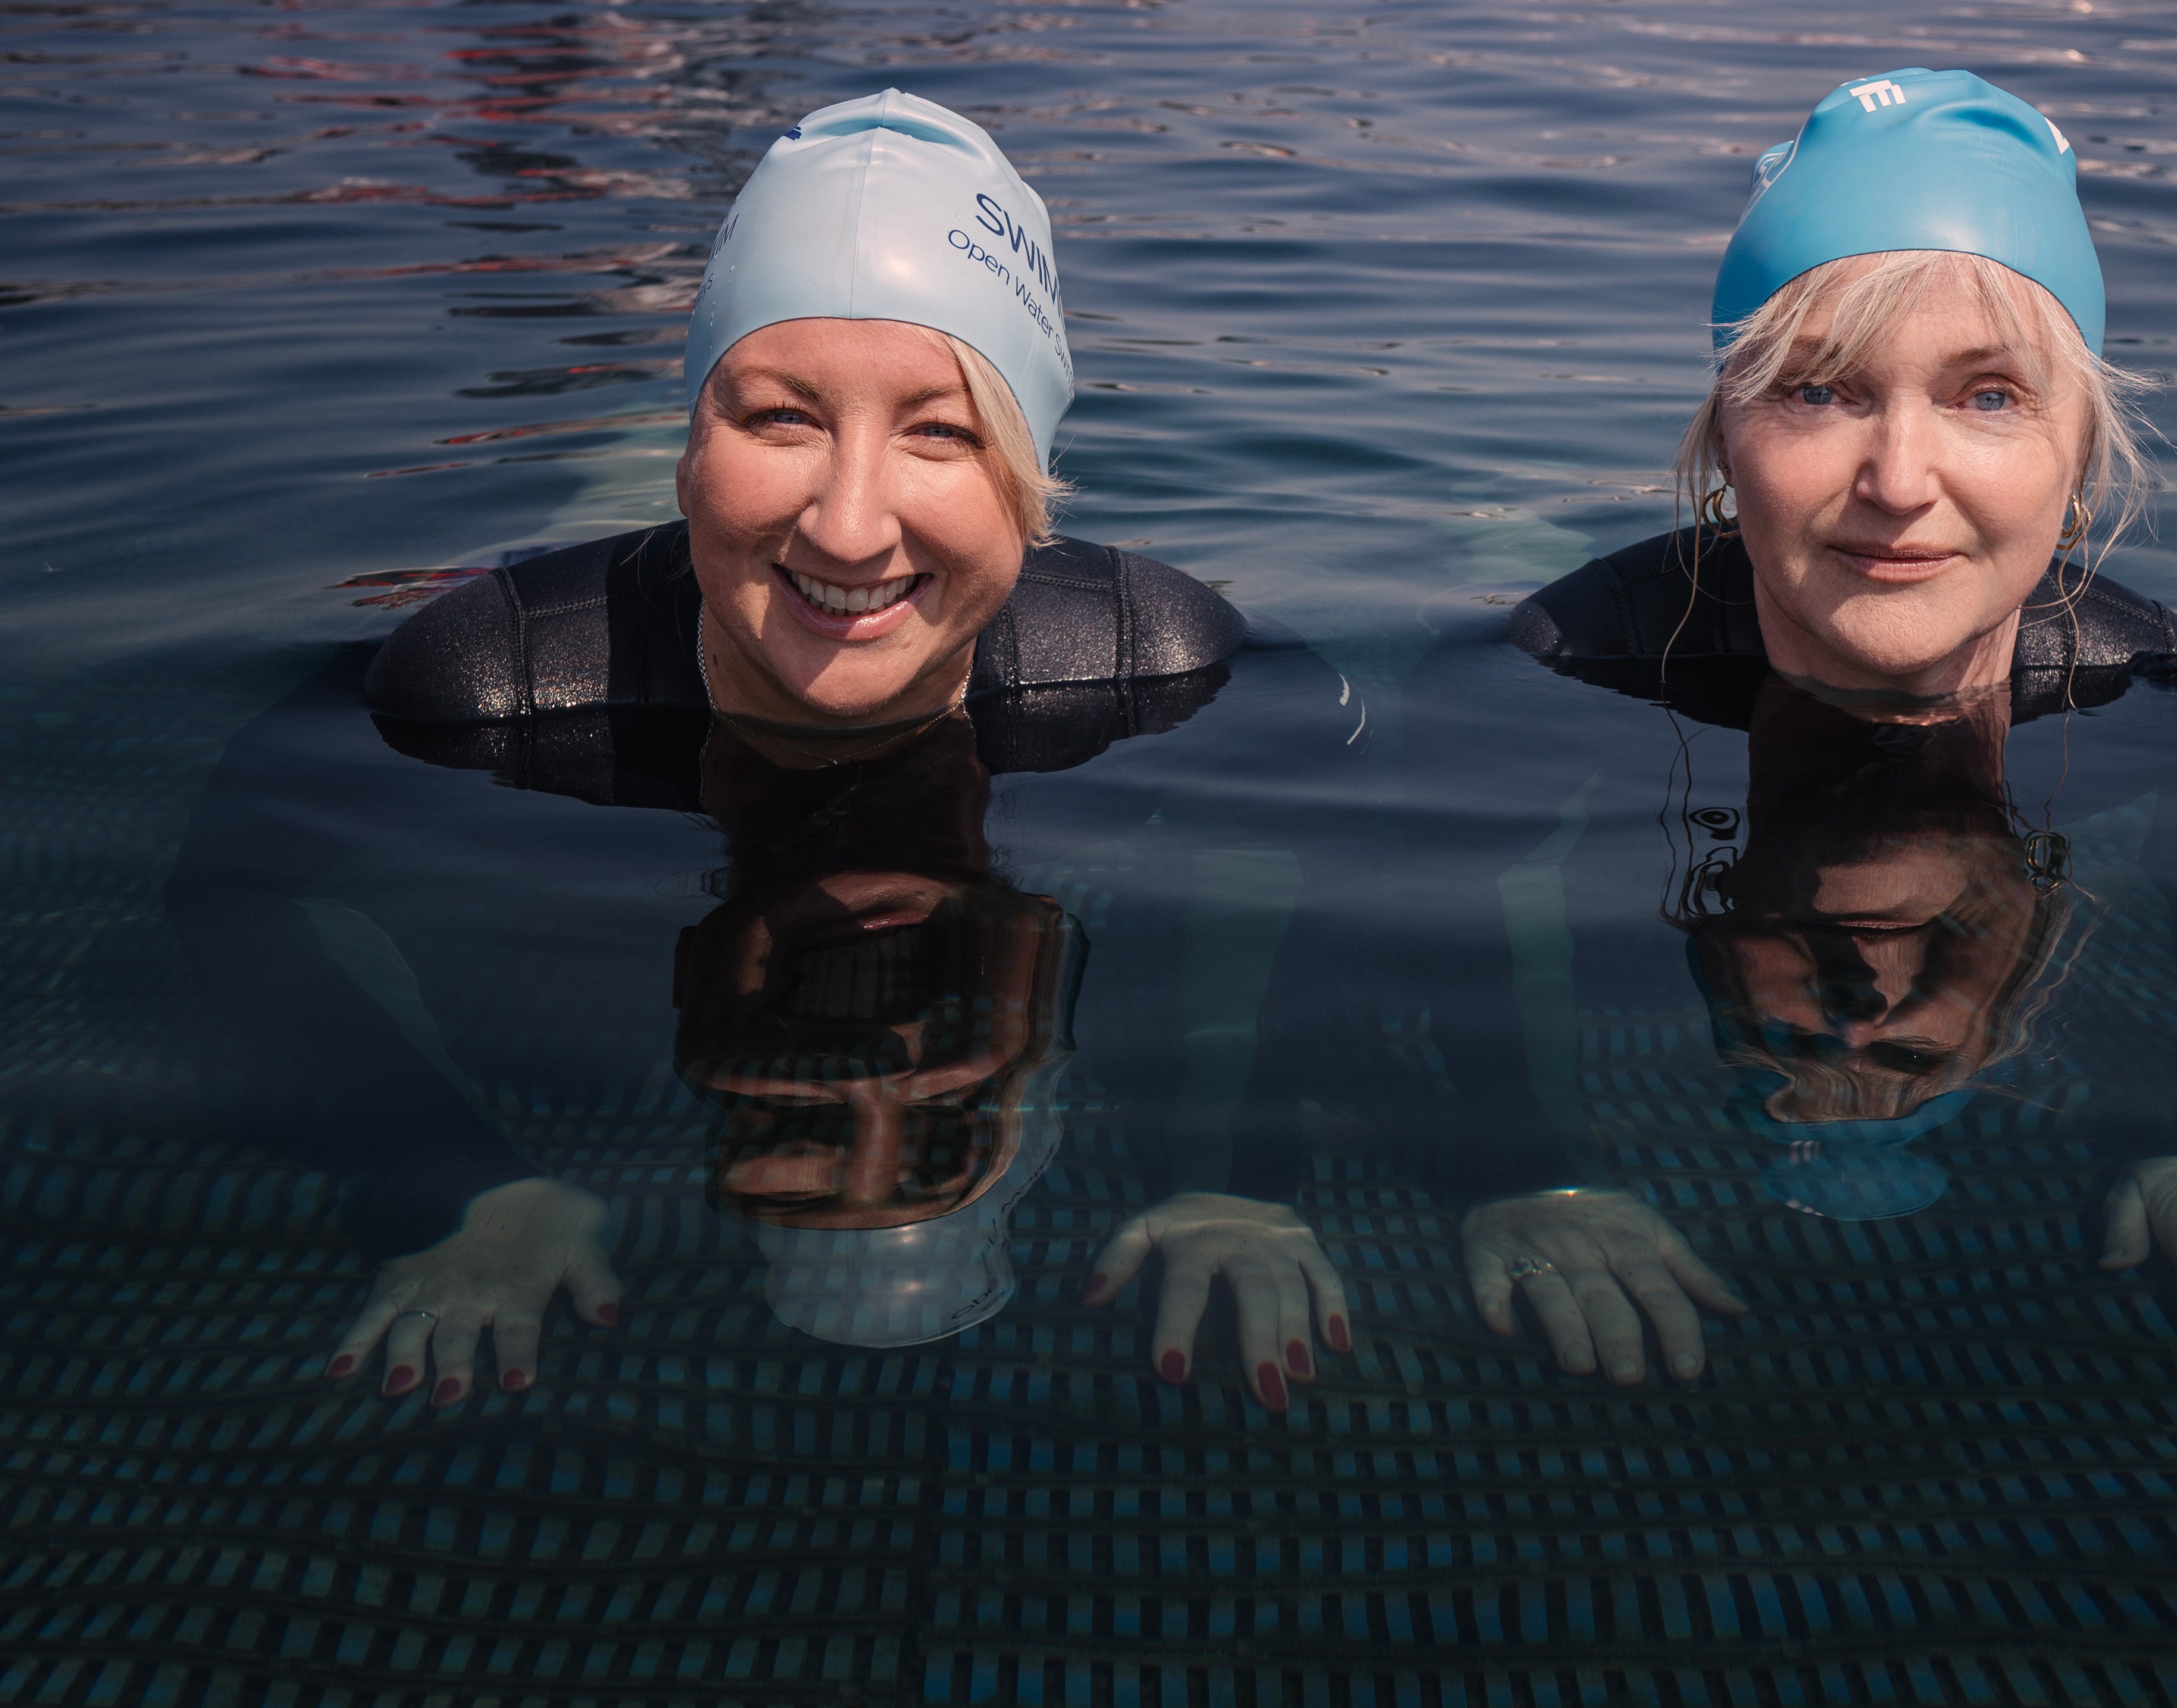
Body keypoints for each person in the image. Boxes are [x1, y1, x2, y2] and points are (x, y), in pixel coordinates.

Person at [168, 90, 1360, 1412]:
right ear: (693, 452)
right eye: (778, 417)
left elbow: (1361, 864)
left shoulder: (1160, 654)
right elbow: (231, 891)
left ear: (1030, 493)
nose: (851, 526)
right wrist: (451, 1181)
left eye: (941, 430)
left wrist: (1239, 1174)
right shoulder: (492, 682)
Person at [1411, 68, 2177, 1376]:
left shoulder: (2161, 680)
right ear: (1721, 439)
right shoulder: (1567, 664)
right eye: (1820, 391)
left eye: (1987, 396)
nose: (1899, 483)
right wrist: (1527, 1167)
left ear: (2078, 455)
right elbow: (1456, 897)